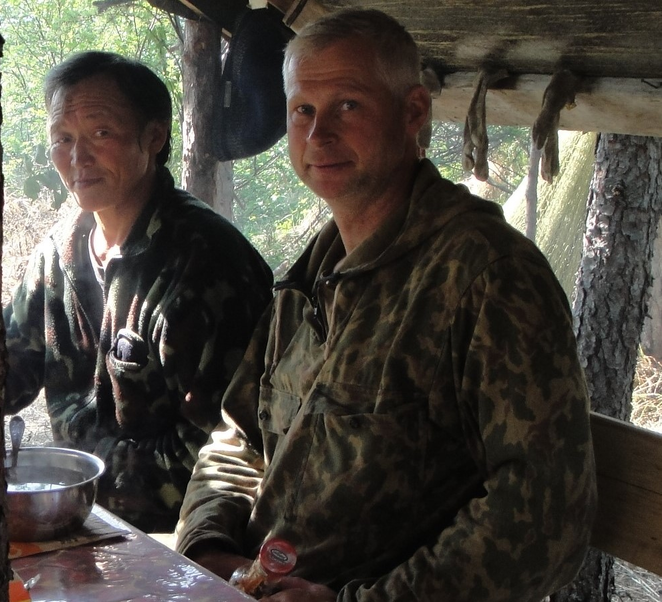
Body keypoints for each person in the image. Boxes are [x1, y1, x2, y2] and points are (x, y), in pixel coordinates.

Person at [175, 9, 597, 601]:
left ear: (413, 113)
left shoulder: (485, 276)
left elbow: (543, 519)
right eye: (303, 110)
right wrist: (212, 551)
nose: (318, 134)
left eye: (348, 105)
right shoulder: (313, 276)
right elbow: (241, 433)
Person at [0, 51, 274, 533]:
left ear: (154, 137)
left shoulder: (204, 266)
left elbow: (230, 450)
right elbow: (0, 376)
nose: (77, 158)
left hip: (180, 536)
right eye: (62, 139)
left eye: (100, 133)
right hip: (78, 517)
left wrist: (71, 485)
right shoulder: (61, 254)